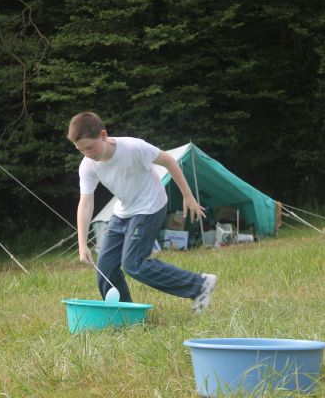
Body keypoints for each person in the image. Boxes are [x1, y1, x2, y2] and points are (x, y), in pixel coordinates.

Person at [68, 112, 217, 314]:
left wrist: (188, 196)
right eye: (80, 150)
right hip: (123, 212)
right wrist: (82, 243)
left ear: (103, 135)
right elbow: (85, 203)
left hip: (150, 206)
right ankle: (125, 314)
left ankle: (199, 285)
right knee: (105, 267)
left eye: (89, 147)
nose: (87, 154)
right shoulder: (88, 165)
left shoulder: (133, 147)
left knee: (133, 264)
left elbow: (169, 161)